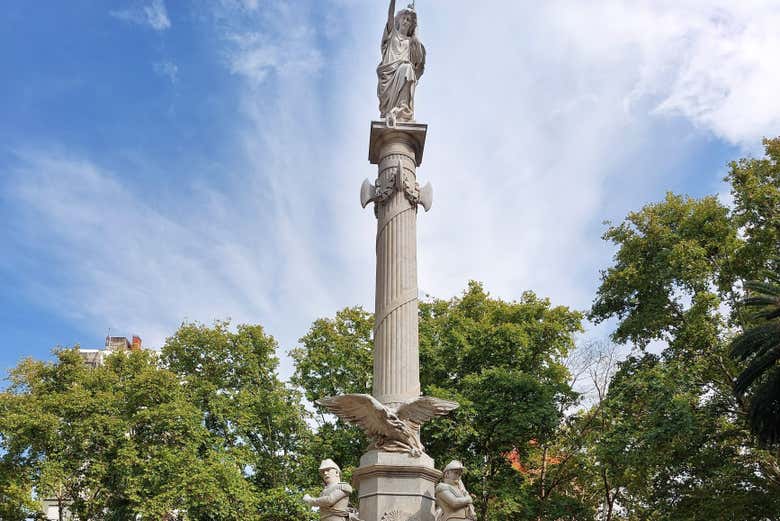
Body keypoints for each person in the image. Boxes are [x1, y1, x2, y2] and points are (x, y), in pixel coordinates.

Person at [377, 0, 426, 126]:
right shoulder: (392, 33)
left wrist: (416, 21)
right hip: (389, 75)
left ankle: (402, 109)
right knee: (406, 68)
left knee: (407, 68)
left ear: (411, 26)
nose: (405, 21)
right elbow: (390, 15)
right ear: (398, 20)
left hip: (403, 72)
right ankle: (391, 110)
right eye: (404, 18)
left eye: (409, 20)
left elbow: (418, 57)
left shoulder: (411, 42)